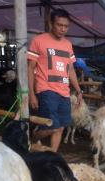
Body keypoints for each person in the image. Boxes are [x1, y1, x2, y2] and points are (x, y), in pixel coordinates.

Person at [27, 9, 82, 152]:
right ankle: (31, 138)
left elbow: (70, 70)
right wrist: (32, 94)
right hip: (46, 90)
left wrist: (78, 90)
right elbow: (30, 67)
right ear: (51, 23)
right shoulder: (38, 41)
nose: (63, 29)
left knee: (61, 126)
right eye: (59, 25)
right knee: (53, 126)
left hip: (64, 92)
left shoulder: (68, 45)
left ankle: (52, 156)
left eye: (66, 26)